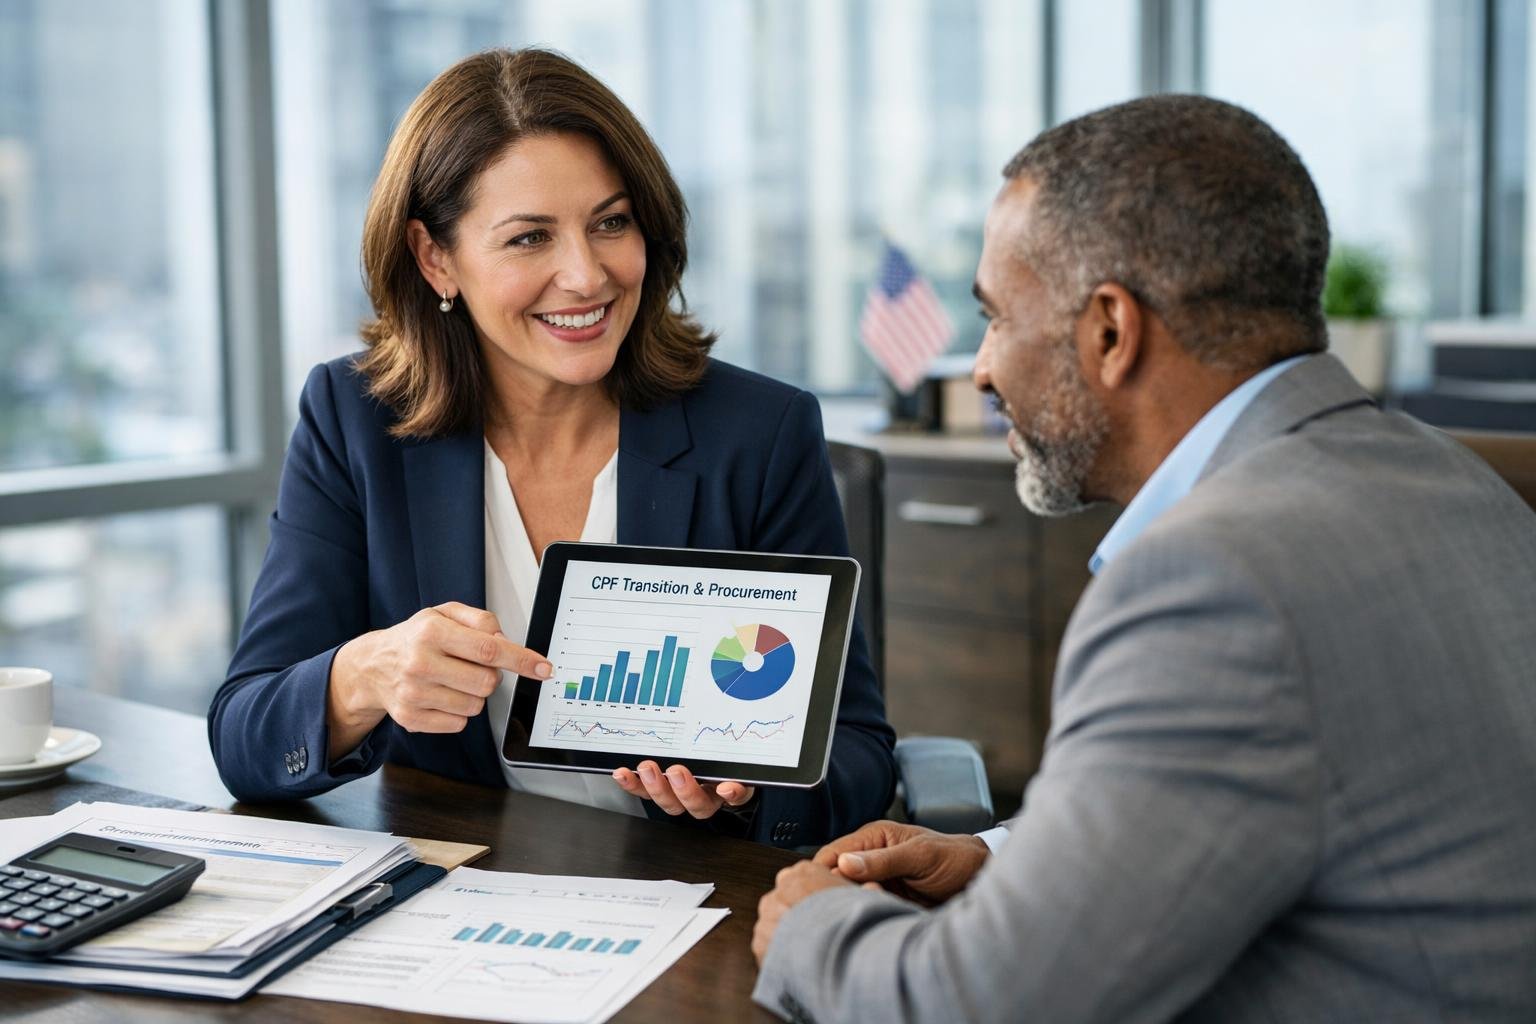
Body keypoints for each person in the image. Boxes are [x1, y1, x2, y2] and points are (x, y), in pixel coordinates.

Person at [751, 95, 1536, 1021]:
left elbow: (983, 1006)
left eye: (998, 319)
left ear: (1111, 333)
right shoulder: (1451, 476)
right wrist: (1003, 861)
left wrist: (813, 924)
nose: (980, 370)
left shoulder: (1215, 581)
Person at [208, 48, 895, 849]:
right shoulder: (354, 419)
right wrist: (362, 678)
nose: (586, 275)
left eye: (611, 222)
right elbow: (245, 736)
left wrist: (746, 794)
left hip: (690, 898)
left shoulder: (759, 432)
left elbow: (860, 757)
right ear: (436, 257)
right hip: (464, 888)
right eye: (530, 238)